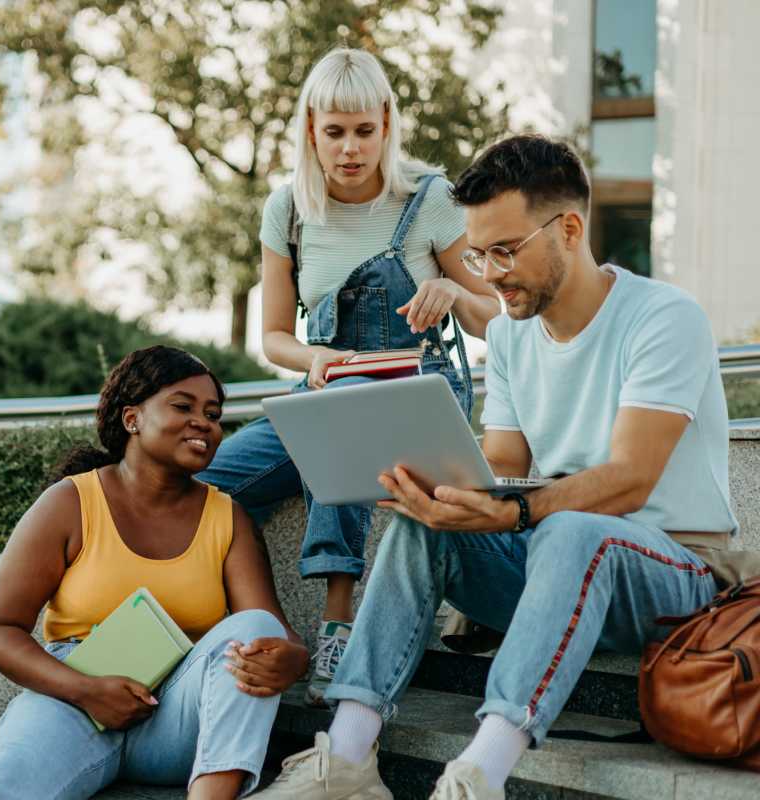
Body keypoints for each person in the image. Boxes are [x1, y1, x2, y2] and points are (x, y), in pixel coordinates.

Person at [252, 134, 739, 800]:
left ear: (569, 229)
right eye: (478, 254)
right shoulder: (510, 334)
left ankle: (479, 775)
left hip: (673, 576)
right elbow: (505, 463)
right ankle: (347, 758)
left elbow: (631, 478)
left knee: (572, 531)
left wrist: (511, 510)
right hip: (547, 559)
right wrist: (443, 489)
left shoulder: (662, 318)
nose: (488, 274)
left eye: (505, 251)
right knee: (427, 523)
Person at [198, 47, 500, 705]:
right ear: (311, 129)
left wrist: (455, 295)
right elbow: (276, 336)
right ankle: (256, 626)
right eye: (335, 131)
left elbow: (494, 317)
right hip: (328, 385)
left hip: (421, 387)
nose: (350, 147)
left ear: (387, 123)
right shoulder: (288, 209)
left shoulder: (429, 199)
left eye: (364, 129)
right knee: (205, 486)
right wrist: (317, 361)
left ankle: (338, 617)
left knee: (346, 411)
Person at [0, 345, 311, 800]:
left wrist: (293, 660)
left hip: (176, 718)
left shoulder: (228, 518)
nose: (203, 423)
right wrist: (87, 691)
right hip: (71, 701)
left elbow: (273, 631)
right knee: (1, 789)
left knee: (253, 630)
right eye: (183, 406)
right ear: (132, 419)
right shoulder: (70, 503)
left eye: (213, 413)